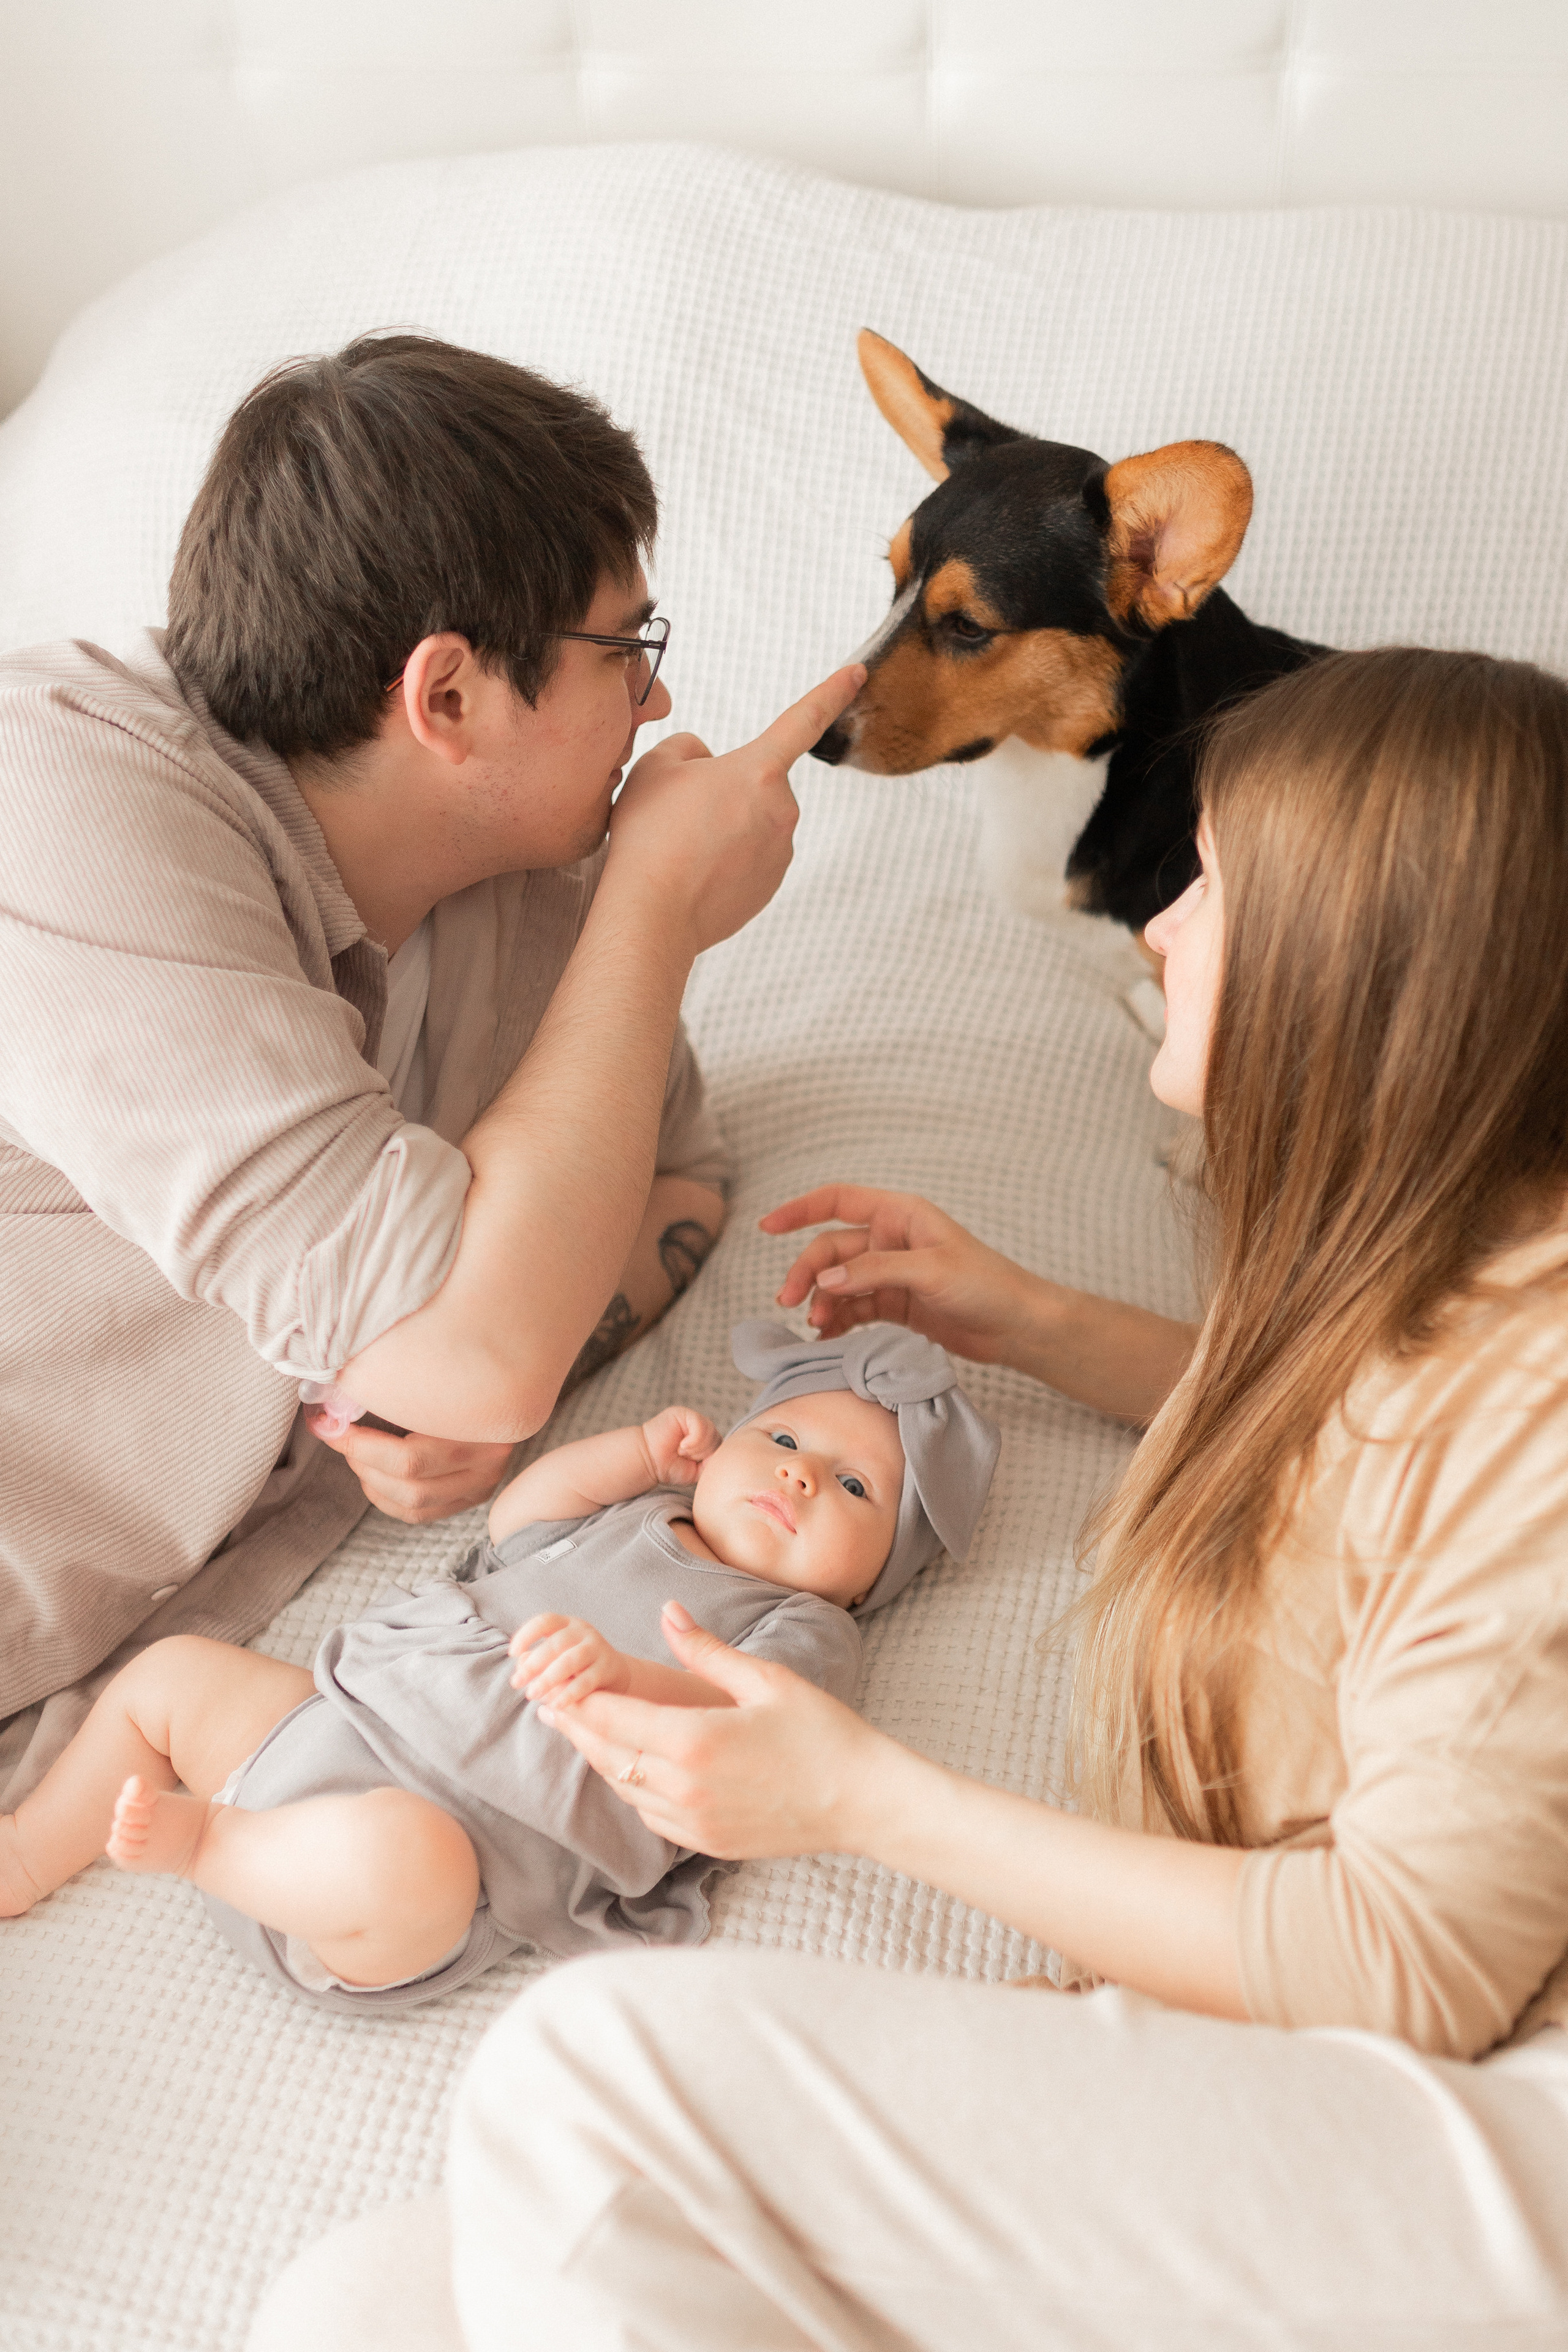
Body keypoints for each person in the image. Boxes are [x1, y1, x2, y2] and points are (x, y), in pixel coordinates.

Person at [252, 643, 1568, 2350]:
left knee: (594, 2080)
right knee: (349, 2311)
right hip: (1297, 2086)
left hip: (1502, 2137)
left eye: (1218, 887)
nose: (1159, 925)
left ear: (1370, 974)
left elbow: (1402, 1964)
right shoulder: (1444, 1288)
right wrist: (1032, 1319)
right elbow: (1371, 1463)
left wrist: (859, 1796)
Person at [0, 331, 862, 1806]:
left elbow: (679, 1178)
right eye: (625, 650)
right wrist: (656, 906)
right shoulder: (61, 797)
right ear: (446, 697)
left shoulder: (521, 877)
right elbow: (474, 1347)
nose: (655, 709)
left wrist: (401, 1425)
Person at [0, 1321, 996, 2015]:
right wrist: (640, 1454)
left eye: (854, 1486)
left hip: (449, 1856)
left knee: (405, 1858)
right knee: (173, 1675)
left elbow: (749, 1726)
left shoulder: (809, 1628)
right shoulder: (643, 1513)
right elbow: (521, 1521)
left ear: (870, 1584)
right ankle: (32, 1850)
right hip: (341, 1726)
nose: (799, 1473)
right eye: (783, 1437)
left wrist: (627, 1679)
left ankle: (211, 1847)